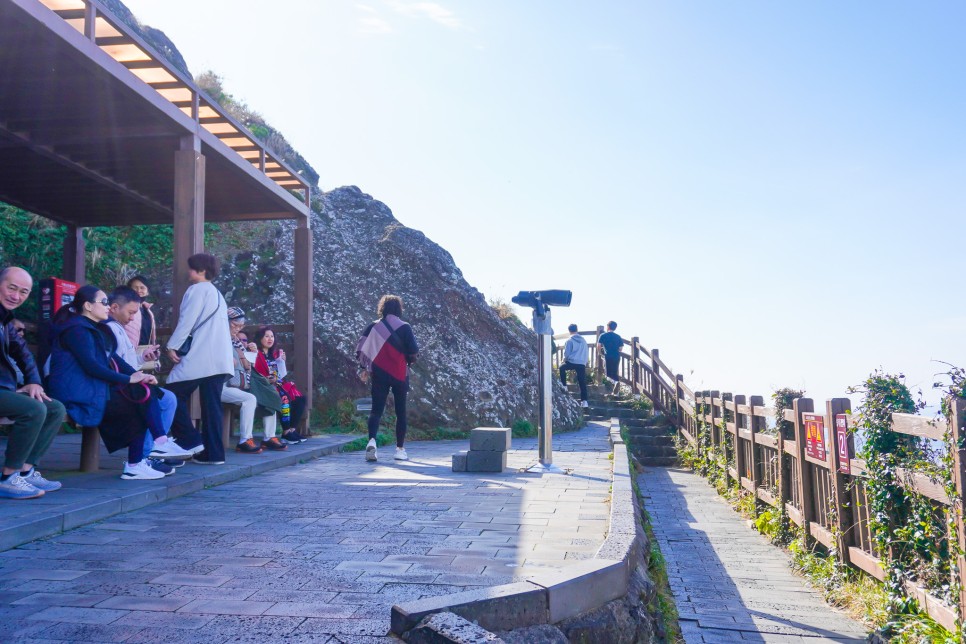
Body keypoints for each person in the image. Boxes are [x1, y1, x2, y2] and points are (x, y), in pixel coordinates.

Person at [49, 286, 192, 480]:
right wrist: (129, 379)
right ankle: (146, 455)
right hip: (75, 392)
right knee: (138, 398)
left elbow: (115, 360)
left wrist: (138, 376)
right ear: (88, 306)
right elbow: (91, 366)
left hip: (89, 387)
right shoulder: (77, 330)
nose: (108, 306)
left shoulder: (92, 329)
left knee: (142, 391)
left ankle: (144, 456)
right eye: (104, 302)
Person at [0, 267, 66, 499]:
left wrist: (34, 383)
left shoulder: (5, 319)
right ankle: (8, 478)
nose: (16, 296)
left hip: (5, 389)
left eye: (23, 292)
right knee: (33, 409)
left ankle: (25, 472)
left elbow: (24, 354)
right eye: (11, 288)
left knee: (53, 407)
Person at [104, 286, 183, 474]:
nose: (132, 318)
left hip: (128, 382)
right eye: (131, 312)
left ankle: (151, 451)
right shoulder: (110, 329)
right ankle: (146, 454)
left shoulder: (118, 328)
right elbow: (113, 364)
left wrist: (142, 358)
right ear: (114, 307)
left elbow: (124, 362)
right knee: (150, 398)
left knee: (167, 398)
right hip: (119, 387)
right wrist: (140, 377)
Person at [165, 253, 234, 465]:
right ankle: (214, 454)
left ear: (201, 270)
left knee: (171, 394)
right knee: (212, 407)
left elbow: (187, 321)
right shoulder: (217, 293)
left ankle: (190, 440)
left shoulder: (196, 290)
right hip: (220, 359)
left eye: (192, 268)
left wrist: (172, 345)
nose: (189, 272)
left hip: (201, 357)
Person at [355, 294, 419, 462]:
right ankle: (399, 449)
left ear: (382, 308)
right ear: (399, 309)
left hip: (379, 373)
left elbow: (361, 349)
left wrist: (364, 368)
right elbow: (413, 351)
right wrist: (409, 359)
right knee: (400, 412)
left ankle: (372, 442)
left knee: (376, 410)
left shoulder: (373, 327)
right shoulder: (405, 327)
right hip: (399, 374)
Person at [225, 307, 286, 453]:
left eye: (241, 327)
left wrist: (251, 353)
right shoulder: (219, 338)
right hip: (221, 384)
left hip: (240, 382)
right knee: (253, 397)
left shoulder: (236, 342)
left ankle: (268, 437)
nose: (237, 329)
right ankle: (246, 440)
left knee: (270, 393)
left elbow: (247, 367)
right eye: (235, 325)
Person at [253, 326, 306, 445]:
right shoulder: (257, 353)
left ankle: (292, 430)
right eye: (266, 336)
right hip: (263, 385)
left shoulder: (273, 354)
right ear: (260, 338)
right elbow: (256, 372)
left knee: (300, 398)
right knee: (284, 397)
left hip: (277, 383)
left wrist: (281, 362)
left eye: (272, 336)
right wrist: (269, 379)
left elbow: (280, 375)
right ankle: (286, 432)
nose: (269, 339)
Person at [559, 324, 589, 408]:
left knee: (561, 368)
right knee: (582, 381)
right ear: (577, 330)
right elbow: (586, 352)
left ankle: (564, 386)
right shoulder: (583, 340)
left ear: (569, 331)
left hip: (572, 362)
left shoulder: (569, 340)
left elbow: (567, 354)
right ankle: (584, 402)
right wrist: (584, 362)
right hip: (581, 363)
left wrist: (563, 360)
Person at [124, 275, 156, 348]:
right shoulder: (125, 308)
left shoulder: (148, 311)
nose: (138, 290)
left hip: (146, 351)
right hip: (129, 350)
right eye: (135, 287)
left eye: (142, 288)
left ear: (147, 291)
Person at [597, 321, 624, 396]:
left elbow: (598, 346)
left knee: (607, 375)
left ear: (608, 327)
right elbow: (620, 348)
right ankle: (616, 393)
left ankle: (615, 383)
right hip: (616, 356)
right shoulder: (618, 336)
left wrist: (600, 353)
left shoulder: (603, 335)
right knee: (615, 373)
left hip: (608, 356)